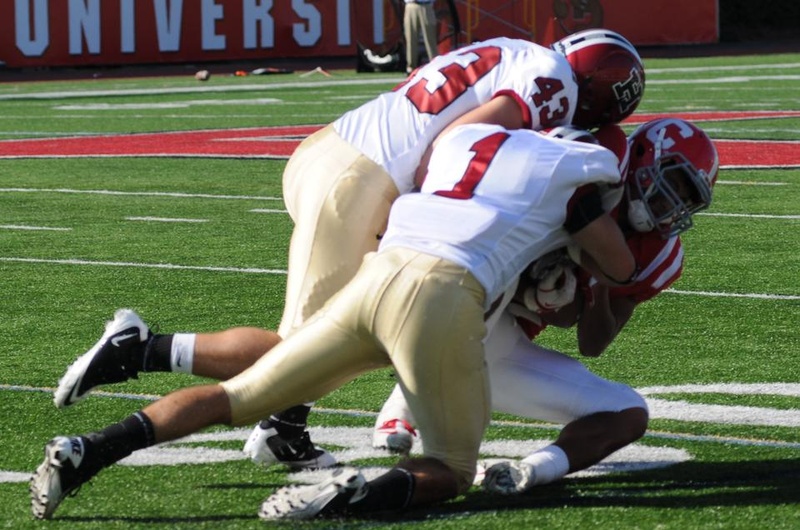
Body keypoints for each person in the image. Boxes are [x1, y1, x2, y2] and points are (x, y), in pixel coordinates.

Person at [52, 29, 646, 471]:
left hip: (344, 152)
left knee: (368, 327)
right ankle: (141, 348)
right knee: (310, 346)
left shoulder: (513, 50)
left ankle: (285, 429)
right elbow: (459, 138)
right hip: (362, 179)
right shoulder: (553, 81)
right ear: (600, 92)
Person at [31, 122, 638, 521]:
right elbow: (617, 264)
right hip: (442, 293)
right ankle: (351, 495)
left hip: (374, 275)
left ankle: (87, 450)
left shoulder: (466, 139)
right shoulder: (580, 167)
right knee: (451, 469)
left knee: (237, 396)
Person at [372, 117, 720, 494]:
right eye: (674, 184)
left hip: (500, 347)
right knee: (478, 283)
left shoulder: (658, 254)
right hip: (452, 309)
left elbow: (593, 342)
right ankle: (400, 409)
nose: (675, 203)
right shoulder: (588, 174)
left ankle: (531, 471)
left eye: (687, 198)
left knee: (628, 411)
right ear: (643, 158)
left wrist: (600, 280)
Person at [403, 0, 439, 74]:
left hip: (426, 5)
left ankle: (435, 66)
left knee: (430, 40)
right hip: (411, 5)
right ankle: (411, 68)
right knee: (411, 39)